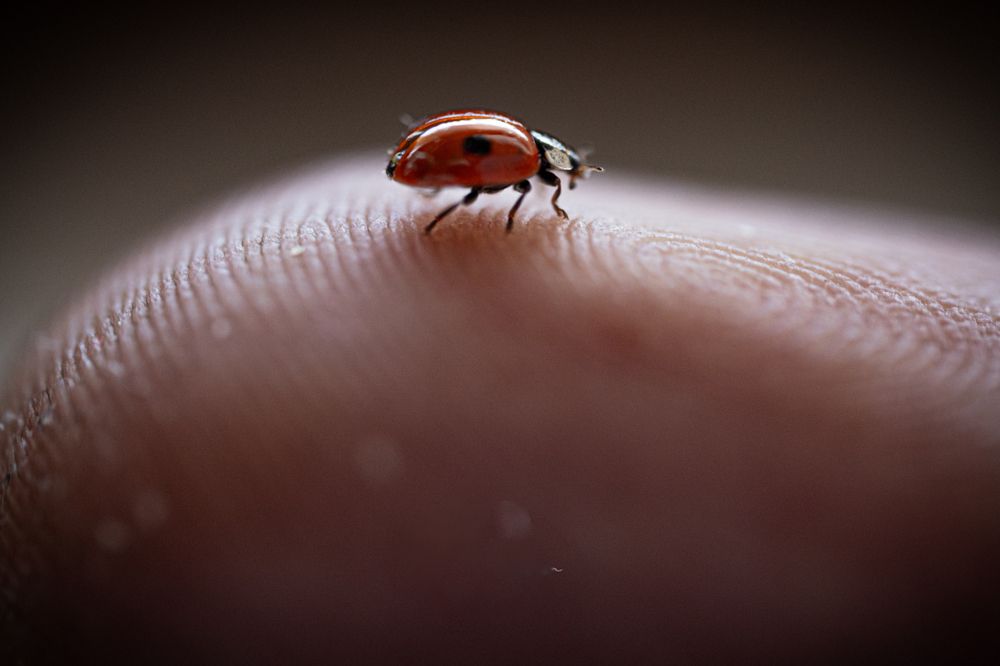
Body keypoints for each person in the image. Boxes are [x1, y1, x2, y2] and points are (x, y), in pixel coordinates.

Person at [2, 156, 998, 662]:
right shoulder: (520, 168)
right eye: (555, 180)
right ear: (546, 168)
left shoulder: (518, 161)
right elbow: (510, 192)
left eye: (550, 180)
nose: (553, 191)